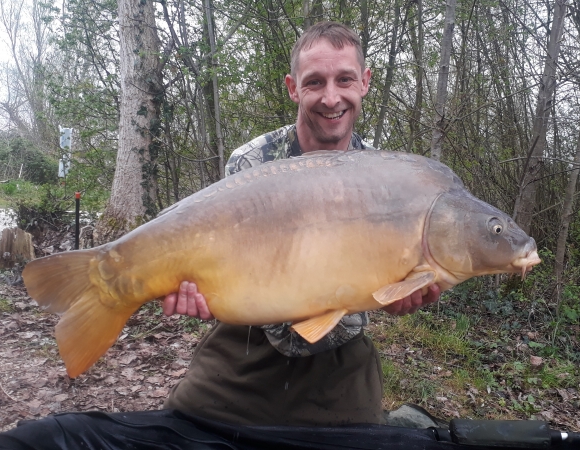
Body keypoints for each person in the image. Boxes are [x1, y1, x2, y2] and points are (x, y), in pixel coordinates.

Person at [159, 21, 441, 427]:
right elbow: (218, 256)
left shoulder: (387, 177)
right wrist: (202, 291)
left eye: (344, 79)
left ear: (364, 82)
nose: (331, 98)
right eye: (314, 82)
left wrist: (403, 297)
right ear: (293, 88)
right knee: (177, 430)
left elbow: (393, 280)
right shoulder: (251, 162)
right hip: (248, 341)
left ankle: (405, 421)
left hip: (339, 351)